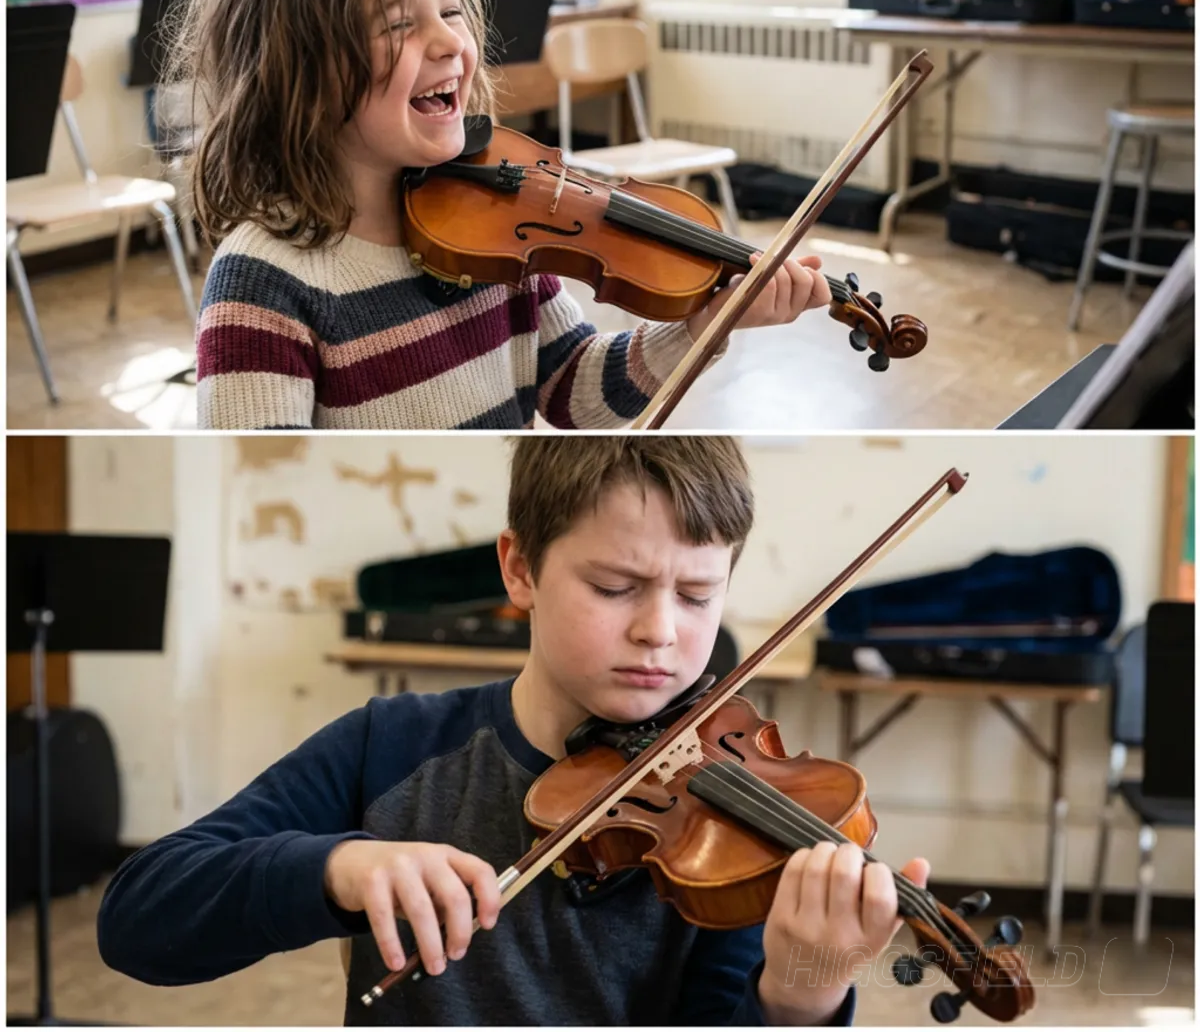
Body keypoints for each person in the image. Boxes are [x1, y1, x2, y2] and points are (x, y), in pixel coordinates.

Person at [97, 436, 929, 1025]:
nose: (660, 631)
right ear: (520, 570)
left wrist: (799, 998)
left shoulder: (732, 830)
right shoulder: (393, 746)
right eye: (613, 586)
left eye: (698, 595)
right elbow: (139, 919)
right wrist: (338, 867)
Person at [176, 0, 833, 429]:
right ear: (300, 73)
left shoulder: (494, 222)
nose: (450, 43)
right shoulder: (261, 287)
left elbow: (574, 391)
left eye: (452, 11)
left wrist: (700, 327)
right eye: (398, 23)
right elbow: (268, 484)